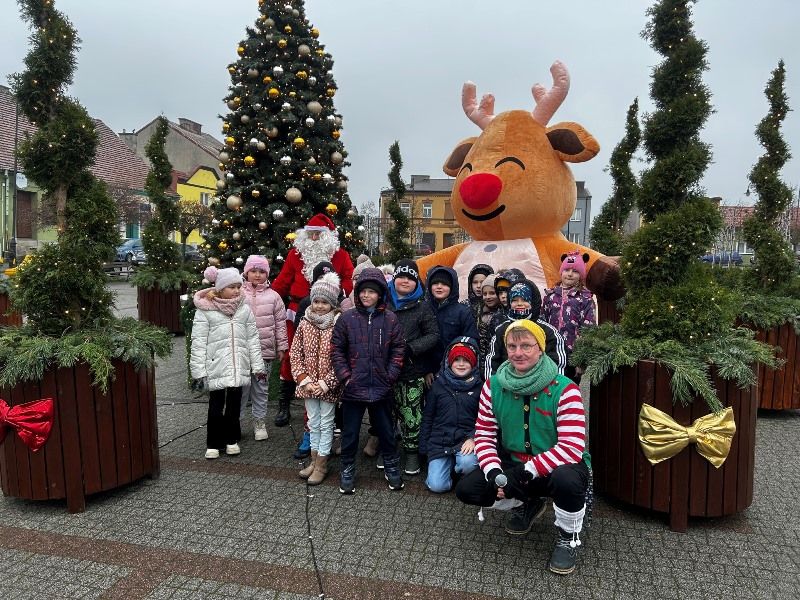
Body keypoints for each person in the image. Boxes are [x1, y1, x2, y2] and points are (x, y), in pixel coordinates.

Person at [455, 320, 590, 575]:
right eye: (512, 346)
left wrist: (523, 473)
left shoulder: (565, 389)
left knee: (567, 481)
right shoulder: (493, 386)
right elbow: (484, 434)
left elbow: (571, 447)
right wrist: (494, 474)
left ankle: (568, 537)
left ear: (540, 348)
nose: (518, 353)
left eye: (526, 346)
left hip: (557, 466)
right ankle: (528, 502)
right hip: (515, 463)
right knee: (468, 489)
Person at [271, 213, 354, 429]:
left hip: (329, 311)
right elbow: (283, 281)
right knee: (292, 355)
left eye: (319, 234)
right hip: (296, 310)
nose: (314, 238)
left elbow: (349, 278)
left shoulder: (341, 255)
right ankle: (285, 404)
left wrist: (339, 294)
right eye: (311, 234)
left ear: (328, 236)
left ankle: (330, 405)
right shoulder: (295, 254)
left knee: (329, 355)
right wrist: (268, 297)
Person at [331, 268, 406, 494]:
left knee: (385, 430)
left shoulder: (390, 319)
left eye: (372, 292)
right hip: (354, 387)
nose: (366, 295)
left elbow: (398, 349)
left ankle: (391, 464)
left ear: (380, 294)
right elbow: (336, 350)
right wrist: (346, 377)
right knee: (350, 433)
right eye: (363, 291)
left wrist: (390, 375)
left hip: (381, 387)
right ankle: (347, 468)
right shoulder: (347, 319)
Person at [190, 267, 265, 460]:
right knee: (215, 405)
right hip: (216, 366)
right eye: (232, 287)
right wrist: (198, 371)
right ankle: (213, 443)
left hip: (238, 365)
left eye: (239, 286)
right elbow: (198, 342)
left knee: (234, 405)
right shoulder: (206, 310)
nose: (236, 290)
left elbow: (252, 339)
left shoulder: (244, 309)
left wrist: (258, 366)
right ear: (220, 288)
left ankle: (231, 440)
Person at [386, 258, 440, 475]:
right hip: (384, 370)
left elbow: (433, 335)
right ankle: (388, 449)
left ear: (416, 281)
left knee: (411, 415)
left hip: (412, 370)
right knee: (386, 413)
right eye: (401, 276)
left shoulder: (422, 306)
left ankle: (411, 452)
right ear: (394, 279)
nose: (405, 281)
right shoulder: (383, 301)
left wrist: (411, 348)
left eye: (410, 277)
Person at [290, 272, 343, 485]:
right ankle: (314, 460)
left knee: (326, 423)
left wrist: (326, 383)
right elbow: (296, 353)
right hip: (309, 385)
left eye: (325, 302)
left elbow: (342, 358)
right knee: (313, 422)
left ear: (332, 304)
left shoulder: (338, 324)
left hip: (327, 386)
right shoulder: (305, 323)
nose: (320, 306)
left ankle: (322, 464)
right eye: (316, 301)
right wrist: (305, 380)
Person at [419, 337, 482, 493]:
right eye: (456, 360)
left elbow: (485, 419)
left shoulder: (480, 388)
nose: (461, 364)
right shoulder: (438, 385)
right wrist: (423, 446)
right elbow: (428, 417)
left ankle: (461, 471)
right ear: (449, 362)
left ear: (474, 363)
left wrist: (473, 437)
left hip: (465, 441)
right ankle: (449, 472)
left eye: (466, 360)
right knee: (437, 486)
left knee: (469, 464)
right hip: (440, 442)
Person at [239, 255, 288, 442]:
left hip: (264, 352)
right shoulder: (238, 294)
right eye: (253, 271)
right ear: (246, 272)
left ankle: (259, 422)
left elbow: (280, 323)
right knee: (241, 389)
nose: (257, 275)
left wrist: (281, 346)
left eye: (261, 271)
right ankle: (236, 422)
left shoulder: (274, 297)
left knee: (260, 389)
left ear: (267, 274)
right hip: (242, 352)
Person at [484, 279, 567, 379]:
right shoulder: (501, 330)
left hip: (541, 385)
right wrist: (494, 386)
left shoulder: (548, 332)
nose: (519, 304)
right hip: (507, 385)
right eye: (514, 300)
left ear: (533, 302)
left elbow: (558, 366)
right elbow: (491, 363)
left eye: (525, 300)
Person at [542, 251, 596, 383]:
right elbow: (542, 322)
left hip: (572, 356)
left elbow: (589, 330)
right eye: (567, 270)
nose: (570, 274)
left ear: (581, 275)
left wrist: (581, 360)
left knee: (569, 387)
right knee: (549, 387)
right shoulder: (550, 296)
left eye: (575, 271)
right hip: (551, 353)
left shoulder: (585, 299)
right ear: (561, 272)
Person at [426, 266, 479, 378]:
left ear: (452, 287)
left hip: (455, 368)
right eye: (435, 283)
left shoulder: (462, 312)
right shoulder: (424, 309)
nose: (439, 287)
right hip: (428, 370)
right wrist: (426, 370)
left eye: (444, 284)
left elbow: (471, 341)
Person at [477, 274, 502, 366]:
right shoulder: (479, 312)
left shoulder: (503, 314)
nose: (487, 297)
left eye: (492, 293)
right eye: (485, 294)